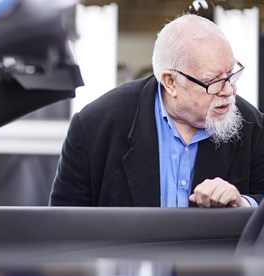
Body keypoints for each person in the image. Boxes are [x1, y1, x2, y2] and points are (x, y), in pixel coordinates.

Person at [49, 13, 264, 208]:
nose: (228, 91)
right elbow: (63, 226)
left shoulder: (254, 126)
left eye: (230, 74)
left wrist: (243, 204)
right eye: (212, 81)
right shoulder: (94, 127)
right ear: (170, 82)